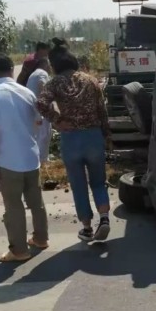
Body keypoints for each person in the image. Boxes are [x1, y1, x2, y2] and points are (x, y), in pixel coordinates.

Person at [37, 42, 111, 242]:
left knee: (78, 185)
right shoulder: (91, 81)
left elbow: (41, 103)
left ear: (55, 66)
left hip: (71, 139)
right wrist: (106, 135)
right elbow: (102, 111)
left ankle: (87, 228)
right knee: (98, 181)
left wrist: (58, 120)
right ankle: (104, 218)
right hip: (93, 136)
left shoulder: (54, 83)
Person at [0, 54, 49, 261]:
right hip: (31, 156)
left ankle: (18, 250)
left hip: (8, 160)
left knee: (13, 206)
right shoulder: (26, 92)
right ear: (11, 69)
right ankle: (41, 238)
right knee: (36, 202)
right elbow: (38, 122)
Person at [27, 58, 52, 164]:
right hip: (42, 111)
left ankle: (37, 159)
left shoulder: (32, 75)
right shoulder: (42, 73)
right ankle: (42, 161)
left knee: (37, 137)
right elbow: (42, 85)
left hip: (33, 111)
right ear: (45, 65)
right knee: (44, 136)